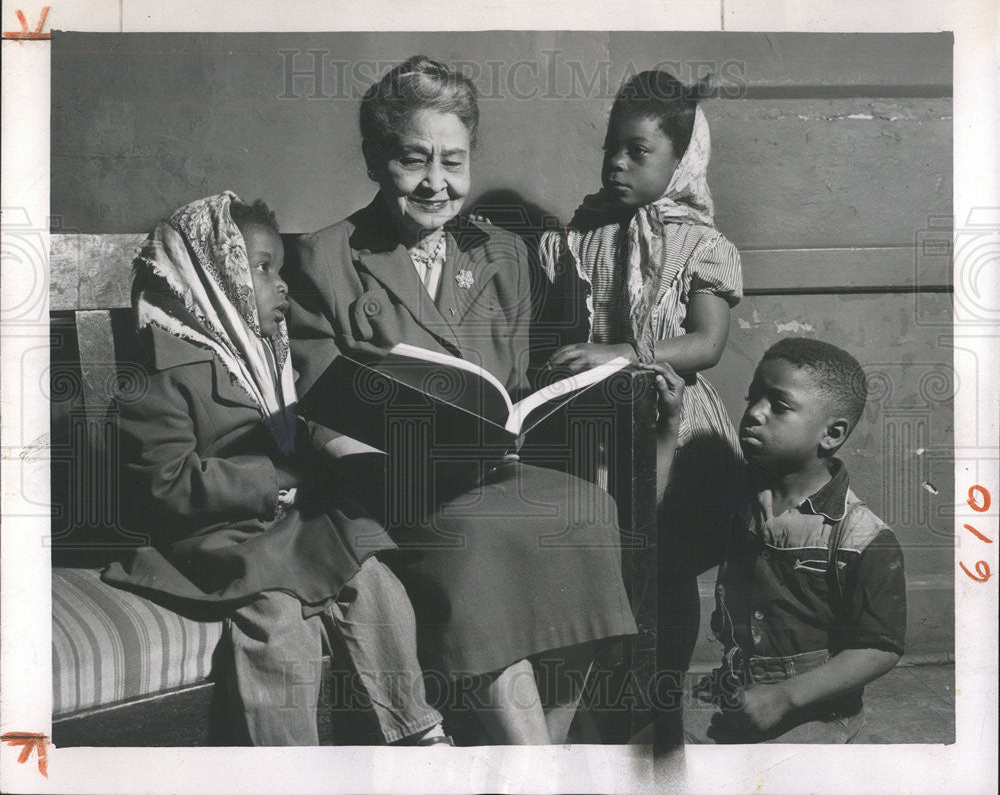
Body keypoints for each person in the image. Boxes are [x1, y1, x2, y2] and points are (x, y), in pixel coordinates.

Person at [286, 55, 637, 744]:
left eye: (454, 160)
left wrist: (576, 384)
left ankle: (542, 757)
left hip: (488, 470)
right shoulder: (324, 259)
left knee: (588, 508)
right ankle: (532, 765)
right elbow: (315, 404)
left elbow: (510, 386)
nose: (436, 183)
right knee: (480, 540)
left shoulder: (501, 254)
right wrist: (381, 457)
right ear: (374, 159)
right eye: (415, 161)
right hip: (390, 488)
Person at [102, 191, 451, 747]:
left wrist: (345, 451)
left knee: (372, 574)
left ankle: (414, 729)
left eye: (279, 270)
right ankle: (287, 769)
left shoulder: (268, 359)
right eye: (263, 269)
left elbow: (300, 433)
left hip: (279, 523)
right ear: (211, 281)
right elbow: (165, 484)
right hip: (211, 536)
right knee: (277, 619)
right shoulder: (162, 376)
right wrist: (278, 479)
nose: (282, 284)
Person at [535, 69, 745, 741]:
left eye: (639, 151)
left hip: (669, 421)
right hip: (592, 424)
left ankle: (660, 701)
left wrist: (624, 352)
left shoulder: (700, 244)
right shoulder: (586, 232)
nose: (618, 163)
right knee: (601, 562)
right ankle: (600, 702)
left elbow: (706, 344)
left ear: (680, 161)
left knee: (666, 564)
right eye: (612, 148)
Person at [649, 338, 907, 743]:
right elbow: (662, 538)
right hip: (735, 692)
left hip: (815, 711)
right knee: (646, 746)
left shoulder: (862, 535)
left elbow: (879, 648)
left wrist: (785, 697)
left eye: (778, 406)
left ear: (832, 434)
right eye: (753, 398)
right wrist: (668, 426)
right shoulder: (738, 500)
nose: (753, 413)